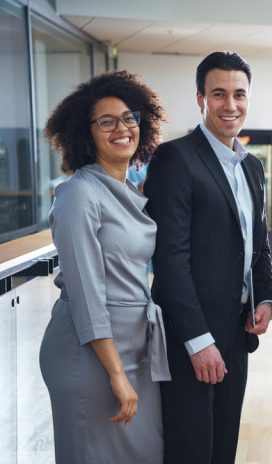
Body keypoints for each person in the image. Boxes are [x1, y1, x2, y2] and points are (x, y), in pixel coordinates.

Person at [144, 51, 272, 464]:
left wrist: (266, 298)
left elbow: (258, 246)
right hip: (192, 338)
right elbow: (169, 259)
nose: (230, 105)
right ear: (200, 98)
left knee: (223, 447)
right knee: (191, 450)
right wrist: (198, 341)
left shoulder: (252, 167)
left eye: (239, 94)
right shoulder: (175, 158)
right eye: (219, 93)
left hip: (237, 333)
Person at [39, 70, 169, 464]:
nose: (121, 128)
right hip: (92, 353)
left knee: (145, 453)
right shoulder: (79, 194)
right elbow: (86, 293)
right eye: (106, 121)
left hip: (135, 346)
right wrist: (115, 372)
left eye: (129, 117)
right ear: (85, 131)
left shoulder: (128, 190)